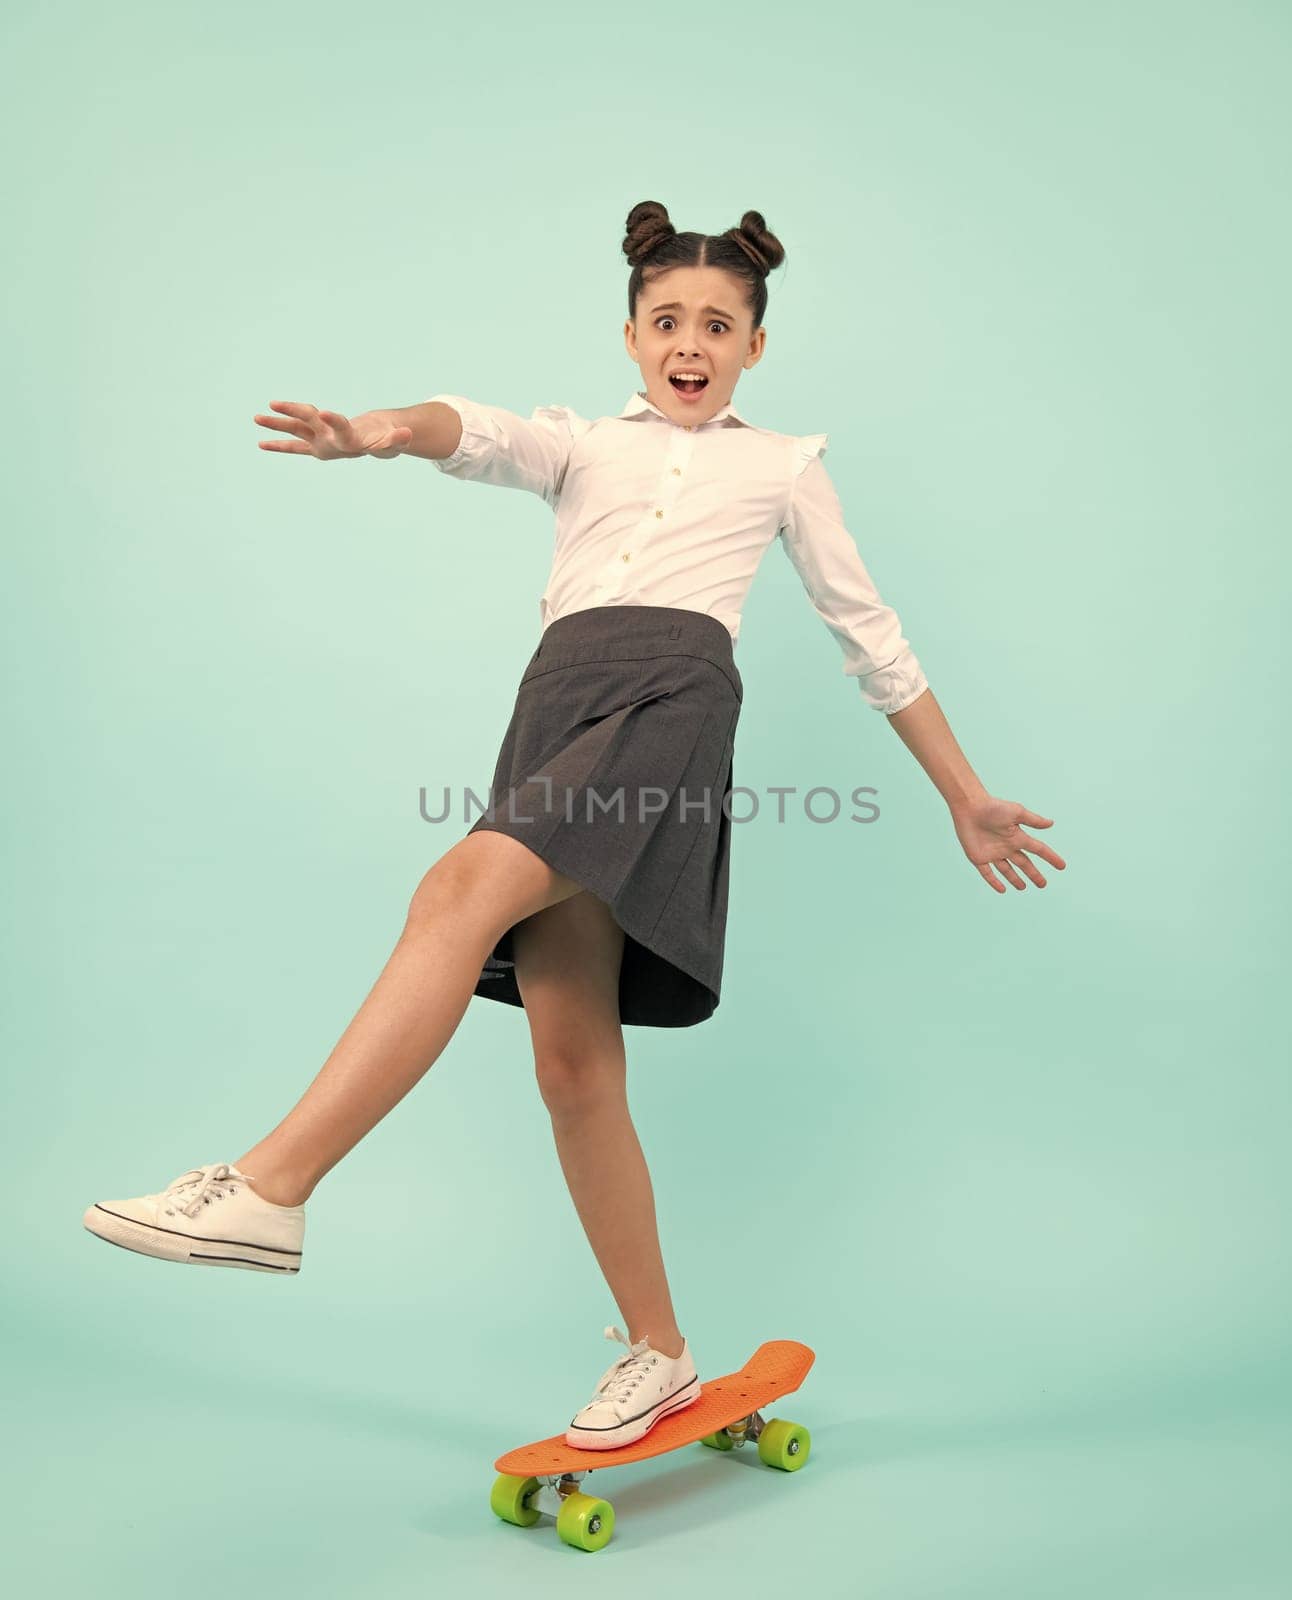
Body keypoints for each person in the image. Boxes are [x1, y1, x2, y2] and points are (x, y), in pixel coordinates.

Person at [82, 200, 1065, 1452]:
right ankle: (658, 1352)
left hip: (671, 700)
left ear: (754, 346)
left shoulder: (783, 464)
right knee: (571, 1061)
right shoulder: (582, 446)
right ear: (631, 336)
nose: (690, 340)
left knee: (454, 893)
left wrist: (961, 794)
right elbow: (471, 429)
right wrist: (376, 432)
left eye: (718, 323)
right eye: (668, 321)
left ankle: (271, 1188)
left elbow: (868, 637)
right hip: (554, 707)